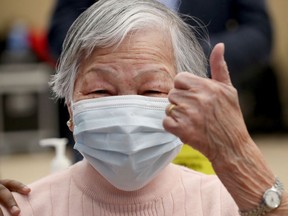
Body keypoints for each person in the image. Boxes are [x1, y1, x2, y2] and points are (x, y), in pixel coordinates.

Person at [0, 0, 287, 215]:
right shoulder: (26, 207)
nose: (127, 113)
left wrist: (247, 166)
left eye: (152, 90)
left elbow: (259, 31)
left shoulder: (226, 204)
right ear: (70, 105)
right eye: (101, 90)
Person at [47, 0, 274, 161]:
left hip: (198, 115)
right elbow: (61, 33)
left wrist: (181, 57)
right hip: (103, 123)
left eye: (150, 89)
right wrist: (114, 62)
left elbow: (259, 33)